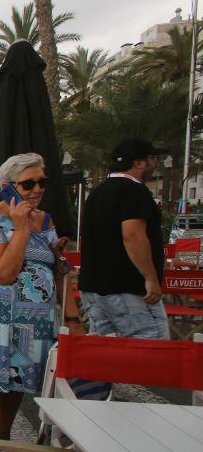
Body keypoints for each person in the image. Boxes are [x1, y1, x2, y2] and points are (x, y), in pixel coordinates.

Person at [0, 153, 80, 452]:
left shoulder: (46, 222)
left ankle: (2, 441)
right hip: (0, 318)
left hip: (37, 320)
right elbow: (2, 272)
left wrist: (72, 317)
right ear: (7, 188)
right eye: (28, 183)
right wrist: (20, 228)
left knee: (18, 381)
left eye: (41, 182)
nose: (37, 189)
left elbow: (58, 270)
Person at [79, 139, 168, 341]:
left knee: (107, 356)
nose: (155, 164)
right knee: (151, 350)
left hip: (94, 288)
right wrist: (151, 278)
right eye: (153, 159)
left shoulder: (97, 193)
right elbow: (133, 235)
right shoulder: (135, 191)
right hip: (128, 288)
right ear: (138, 163)